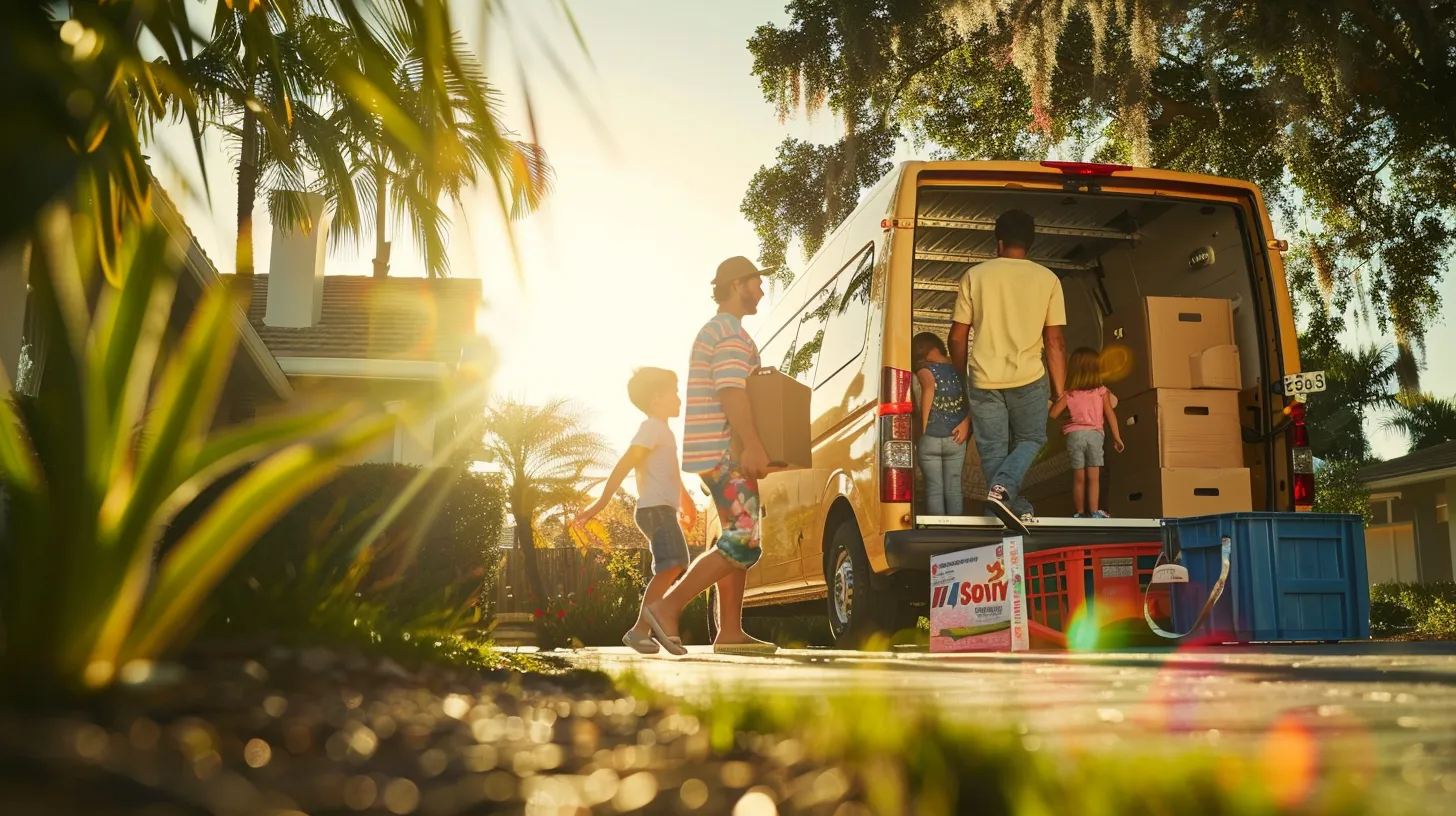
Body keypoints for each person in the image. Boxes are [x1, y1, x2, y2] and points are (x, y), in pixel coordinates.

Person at [639, 256, 780, 656]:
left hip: (712, 450)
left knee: (736, 534)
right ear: (738, 284)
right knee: (743, 537)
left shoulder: (715, 330)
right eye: (756, 281)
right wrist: (753, 444)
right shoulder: (730, 333)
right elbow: (731, 392)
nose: (762, 289)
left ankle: (730, 631)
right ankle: (666, 608)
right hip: (724, 451)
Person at [948, 209, 1067, 536]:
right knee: (1033, 438)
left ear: (998, 243)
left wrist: (962, 379)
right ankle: (1009, 495)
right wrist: (1059, 391)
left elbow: (957, 337)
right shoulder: (1048, 280)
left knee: (994, 451)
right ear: (1029, 243)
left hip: (984, 379)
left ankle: (1014, 503)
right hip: (1028, 379)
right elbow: (1054, 342)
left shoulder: (976, 276)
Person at [577, 367, 699, 654]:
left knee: (673, 564)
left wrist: (687, 501)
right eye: (675, 392)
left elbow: (670, 472)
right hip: (655, 510)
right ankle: (648, 624)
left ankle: (641, 630)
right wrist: (600, 502)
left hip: (661, 509)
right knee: (674, 563)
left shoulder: (662, 430)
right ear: (657, 398)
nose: (680, 398)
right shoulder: (652, 428)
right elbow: (625, 464)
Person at [1048, 348, 1125, 518]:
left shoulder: (1070, 394)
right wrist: (1117, 437)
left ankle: (1079, 512)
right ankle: (1095, 512)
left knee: (1079, 478)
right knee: (1094, 478)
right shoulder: (1101, 391)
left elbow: (1053, 413)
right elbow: (1110, 413)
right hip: (1095, 436)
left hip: (1074, 436)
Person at [912, 332, 970, 516]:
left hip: (931, 436)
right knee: (954, 487)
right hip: (956, 437)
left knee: (934, 487)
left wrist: (923, 428)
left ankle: (937, 529)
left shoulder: (924, 369)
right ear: (937, 348)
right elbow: (972, 400)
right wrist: (966, 422)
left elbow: (929, 388)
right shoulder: (958, 370)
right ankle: (957, 529)